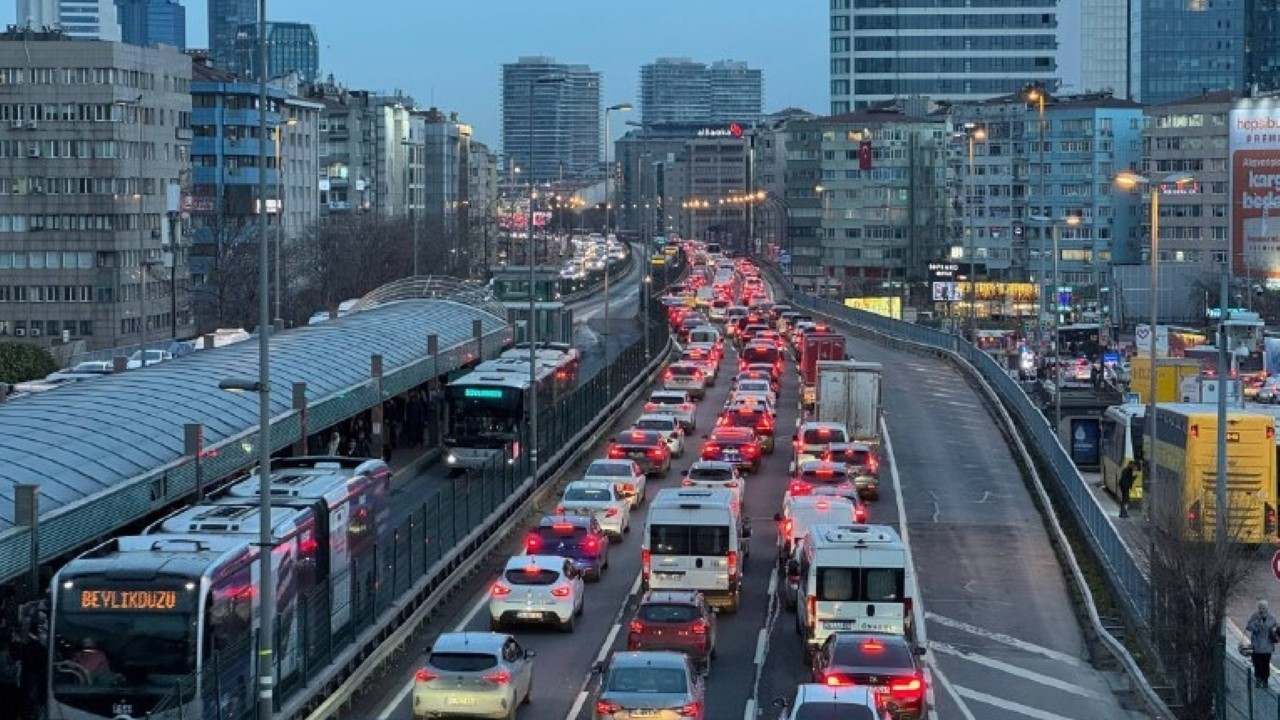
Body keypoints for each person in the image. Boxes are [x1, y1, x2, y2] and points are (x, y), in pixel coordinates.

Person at [1247, 600, 1279, 688]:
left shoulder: (1272, 618)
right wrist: (1257, 622)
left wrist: (1275, 630)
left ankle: (1265, 681)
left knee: (1265, 664)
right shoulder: (1254, 617)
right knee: (1257, 664)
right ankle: (1258, 679)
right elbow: (1249, 627)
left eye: (1264, 608)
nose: (1262, 610)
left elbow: (1277, 627)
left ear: (1267, 608)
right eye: (1260, 608)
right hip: (1257, 646)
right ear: (1258, 608)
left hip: (1267, 646)